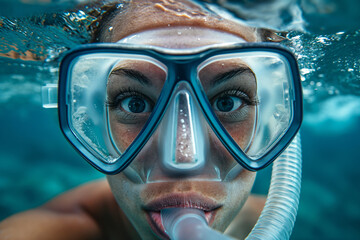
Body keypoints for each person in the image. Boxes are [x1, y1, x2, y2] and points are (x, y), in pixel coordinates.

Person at [0, 0, 302, 239]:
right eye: (135, 103)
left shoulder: (291, 223)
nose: (183, 159)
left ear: (275, 116)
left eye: (227, 102)